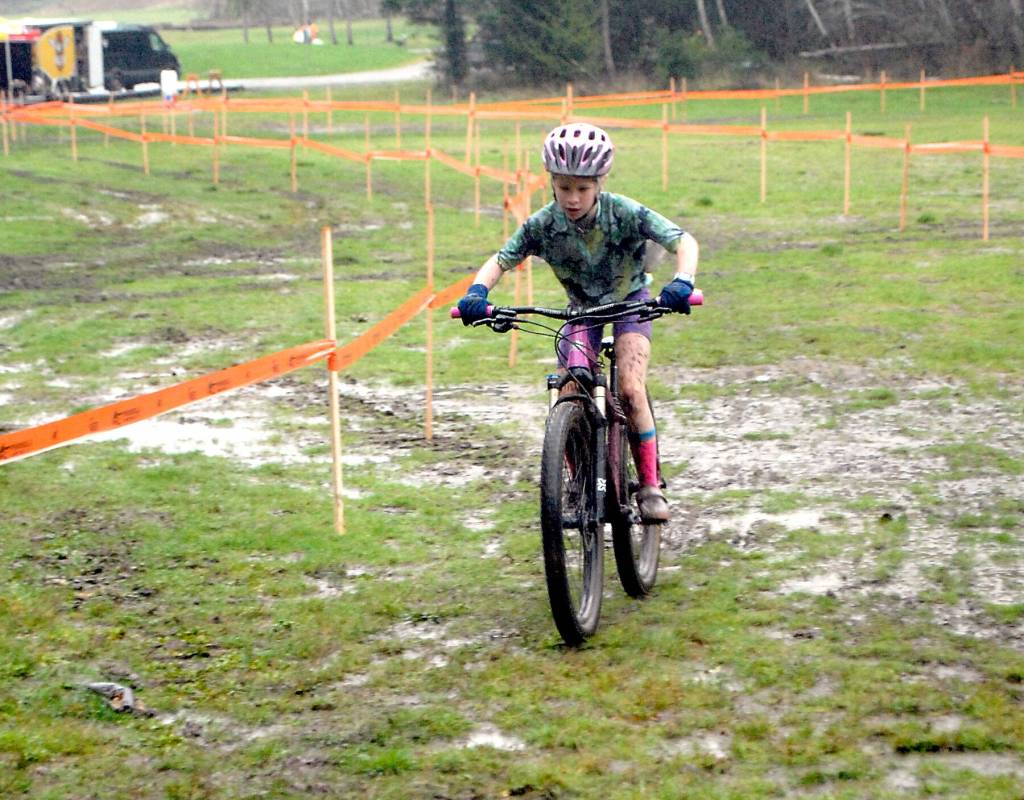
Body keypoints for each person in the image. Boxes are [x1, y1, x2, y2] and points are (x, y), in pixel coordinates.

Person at [457, 122, 699, 522]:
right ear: (551, 181)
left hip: (630, 302)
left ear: (600, 183)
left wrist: (683, 280)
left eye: (582, 189)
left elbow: (683, 241)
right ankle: (576, 478)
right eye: (563, 186)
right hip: (580, 309)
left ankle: (651, 484)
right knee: (569, 387)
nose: (572, 198)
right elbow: (501, 260)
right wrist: (476, 294)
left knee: (630, 388)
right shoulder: (543, 224)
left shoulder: (624, 212)